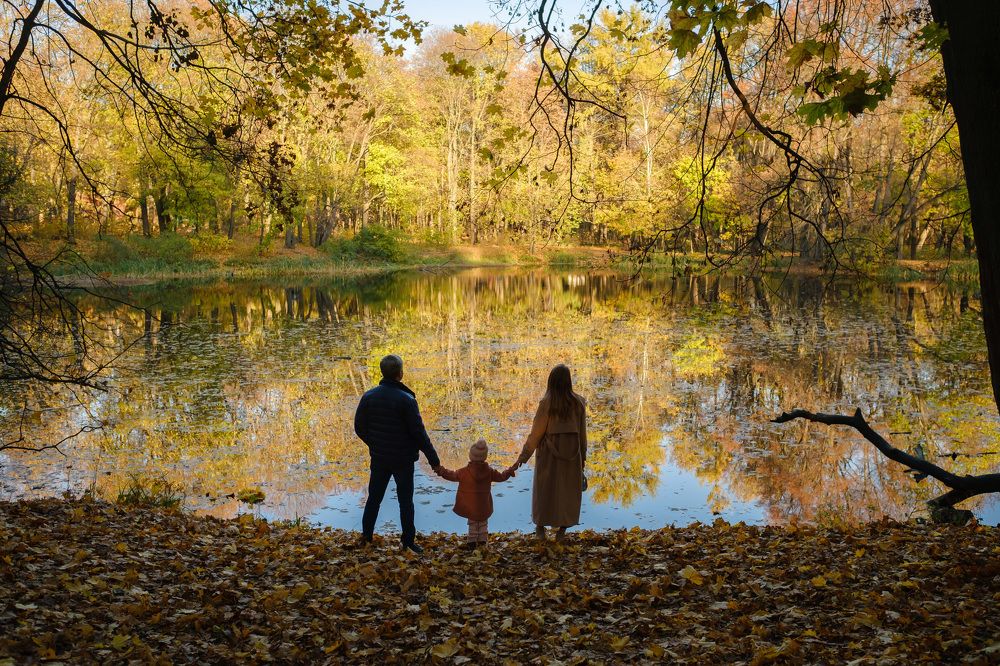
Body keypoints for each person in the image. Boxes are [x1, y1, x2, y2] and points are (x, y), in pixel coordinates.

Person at [354, 354, 441, 554]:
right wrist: (434, 460)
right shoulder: (407, 400)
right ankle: (408, 542)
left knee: (373, 499)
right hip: (403, 459)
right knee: (406, 502)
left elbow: (359, 427)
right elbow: (419, 433)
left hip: (380, 458)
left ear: (383, 373)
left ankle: (366, 536)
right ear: (400, 374)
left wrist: (375, 444)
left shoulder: (369, 396)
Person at [510, 364, 588, 541]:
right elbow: (583, 434)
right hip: (572, 454)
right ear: (568, 381)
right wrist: (582, 457)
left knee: (546, 490)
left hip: (549, 454)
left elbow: (536, 433)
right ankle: (562, 531)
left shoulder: (546, 403)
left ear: (551, 381)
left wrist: (523, 457)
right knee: (567, 491)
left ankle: (540, 528)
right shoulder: (579, 403)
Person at [435, 439, 516, 547]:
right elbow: (501, 477)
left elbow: (451, 475)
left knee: (472, 524)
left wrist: (440, 470)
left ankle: (472, 541)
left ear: (471, 456)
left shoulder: (463, 472)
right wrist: (509, 471)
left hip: (470, 506)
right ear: (485, 457)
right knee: (483, 524)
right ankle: (483, 541)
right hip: (483, 505)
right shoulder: (490, 471)